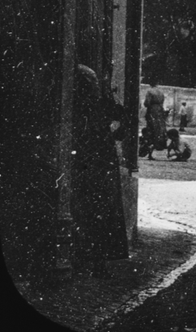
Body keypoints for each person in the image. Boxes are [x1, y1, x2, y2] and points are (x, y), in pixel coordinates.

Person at [71, 65, 129, 274]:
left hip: (98, 167)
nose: (94, 87)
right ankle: (92, 261)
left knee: (97, 214)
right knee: (93, 214)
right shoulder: (86, 108)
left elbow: (121, 127)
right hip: (93, 167)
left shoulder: (98, 105)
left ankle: (94, 261)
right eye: (91, 84)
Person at [143, 80, 168, 154]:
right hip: (160, 110)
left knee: (151, 128)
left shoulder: (150, 91)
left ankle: (151, 145)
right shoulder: (161, 92)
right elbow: (162, 101)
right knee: (160, 128)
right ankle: (160, 144)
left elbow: (147, 103)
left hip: (152, 110)